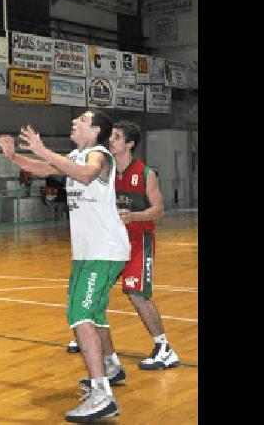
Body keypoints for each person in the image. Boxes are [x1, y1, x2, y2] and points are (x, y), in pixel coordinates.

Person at [0, 110, 129, 422]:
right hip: (87, 252)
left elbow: (85, 174)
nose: (74, 122)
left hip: (103, 250)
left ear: (96, 130)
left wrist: (44, 150)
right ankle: (110, 366)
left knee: (80, 314)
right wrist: (15, 157)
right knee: (91, 312)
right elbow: (44, 169)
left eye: (81, 120)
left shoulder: (99, 154)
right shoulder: (76, 154)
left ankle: (101, 395)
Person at [64, 121, 180, 371]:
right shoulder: (106, 168)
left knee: (137, 294)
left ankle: (164, 347)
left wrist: (134, 217)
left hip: (139, 241)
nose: (111, 141)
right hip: (110, 242)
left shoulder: (146, 173)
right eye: (111, 136)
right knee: (94, 288)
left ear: (129, 144)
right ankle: (87, 333)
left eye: (117, 137)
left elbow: (158, 210)